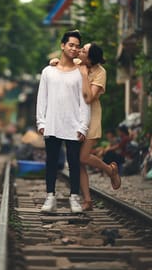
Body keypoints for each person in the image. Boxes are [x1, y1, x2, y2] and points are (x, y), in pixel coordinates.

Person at [50, 42, 121, 211]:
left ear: (90, 58)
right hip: (74, 118)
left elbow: (89, 98)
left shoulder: (100, 73)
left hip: (92, 118)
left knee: (82, 157)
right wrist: (55, 62)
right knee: (77, 161)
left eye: (83, 51)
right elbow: (59, 68)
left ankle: (110, 170)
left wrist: (83, 76)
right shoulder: (75, 63)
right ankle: (87, 200)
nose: (79, 51)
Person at [36, 30, 90, 213]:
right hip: (52, 123)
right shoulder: (48, 71)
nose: (74, 49)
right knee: (51, 161)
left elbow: (85, 100)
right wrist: (41, 122)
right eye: (71, 45)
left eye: (77, 46)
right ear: (63, 45)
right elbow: (41, 98)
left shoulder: (81, 73)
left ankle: (74, 198)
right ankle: (50, 197)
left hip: (74, 125)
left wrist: (84, 125)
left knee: (73, 161)